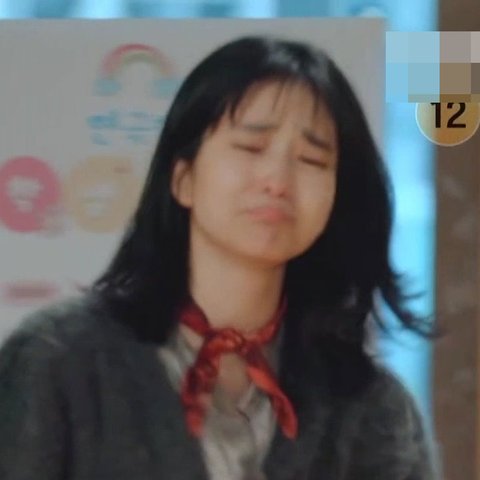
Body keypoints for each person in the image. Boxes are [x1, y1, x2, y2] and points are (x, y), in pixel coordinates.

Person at [0, 36, 438, 480]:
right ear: (183, 177)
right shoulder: (58, 361)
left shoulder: (372, 406)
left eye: (311, 159)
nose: (277, 180)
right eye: (251, 147)